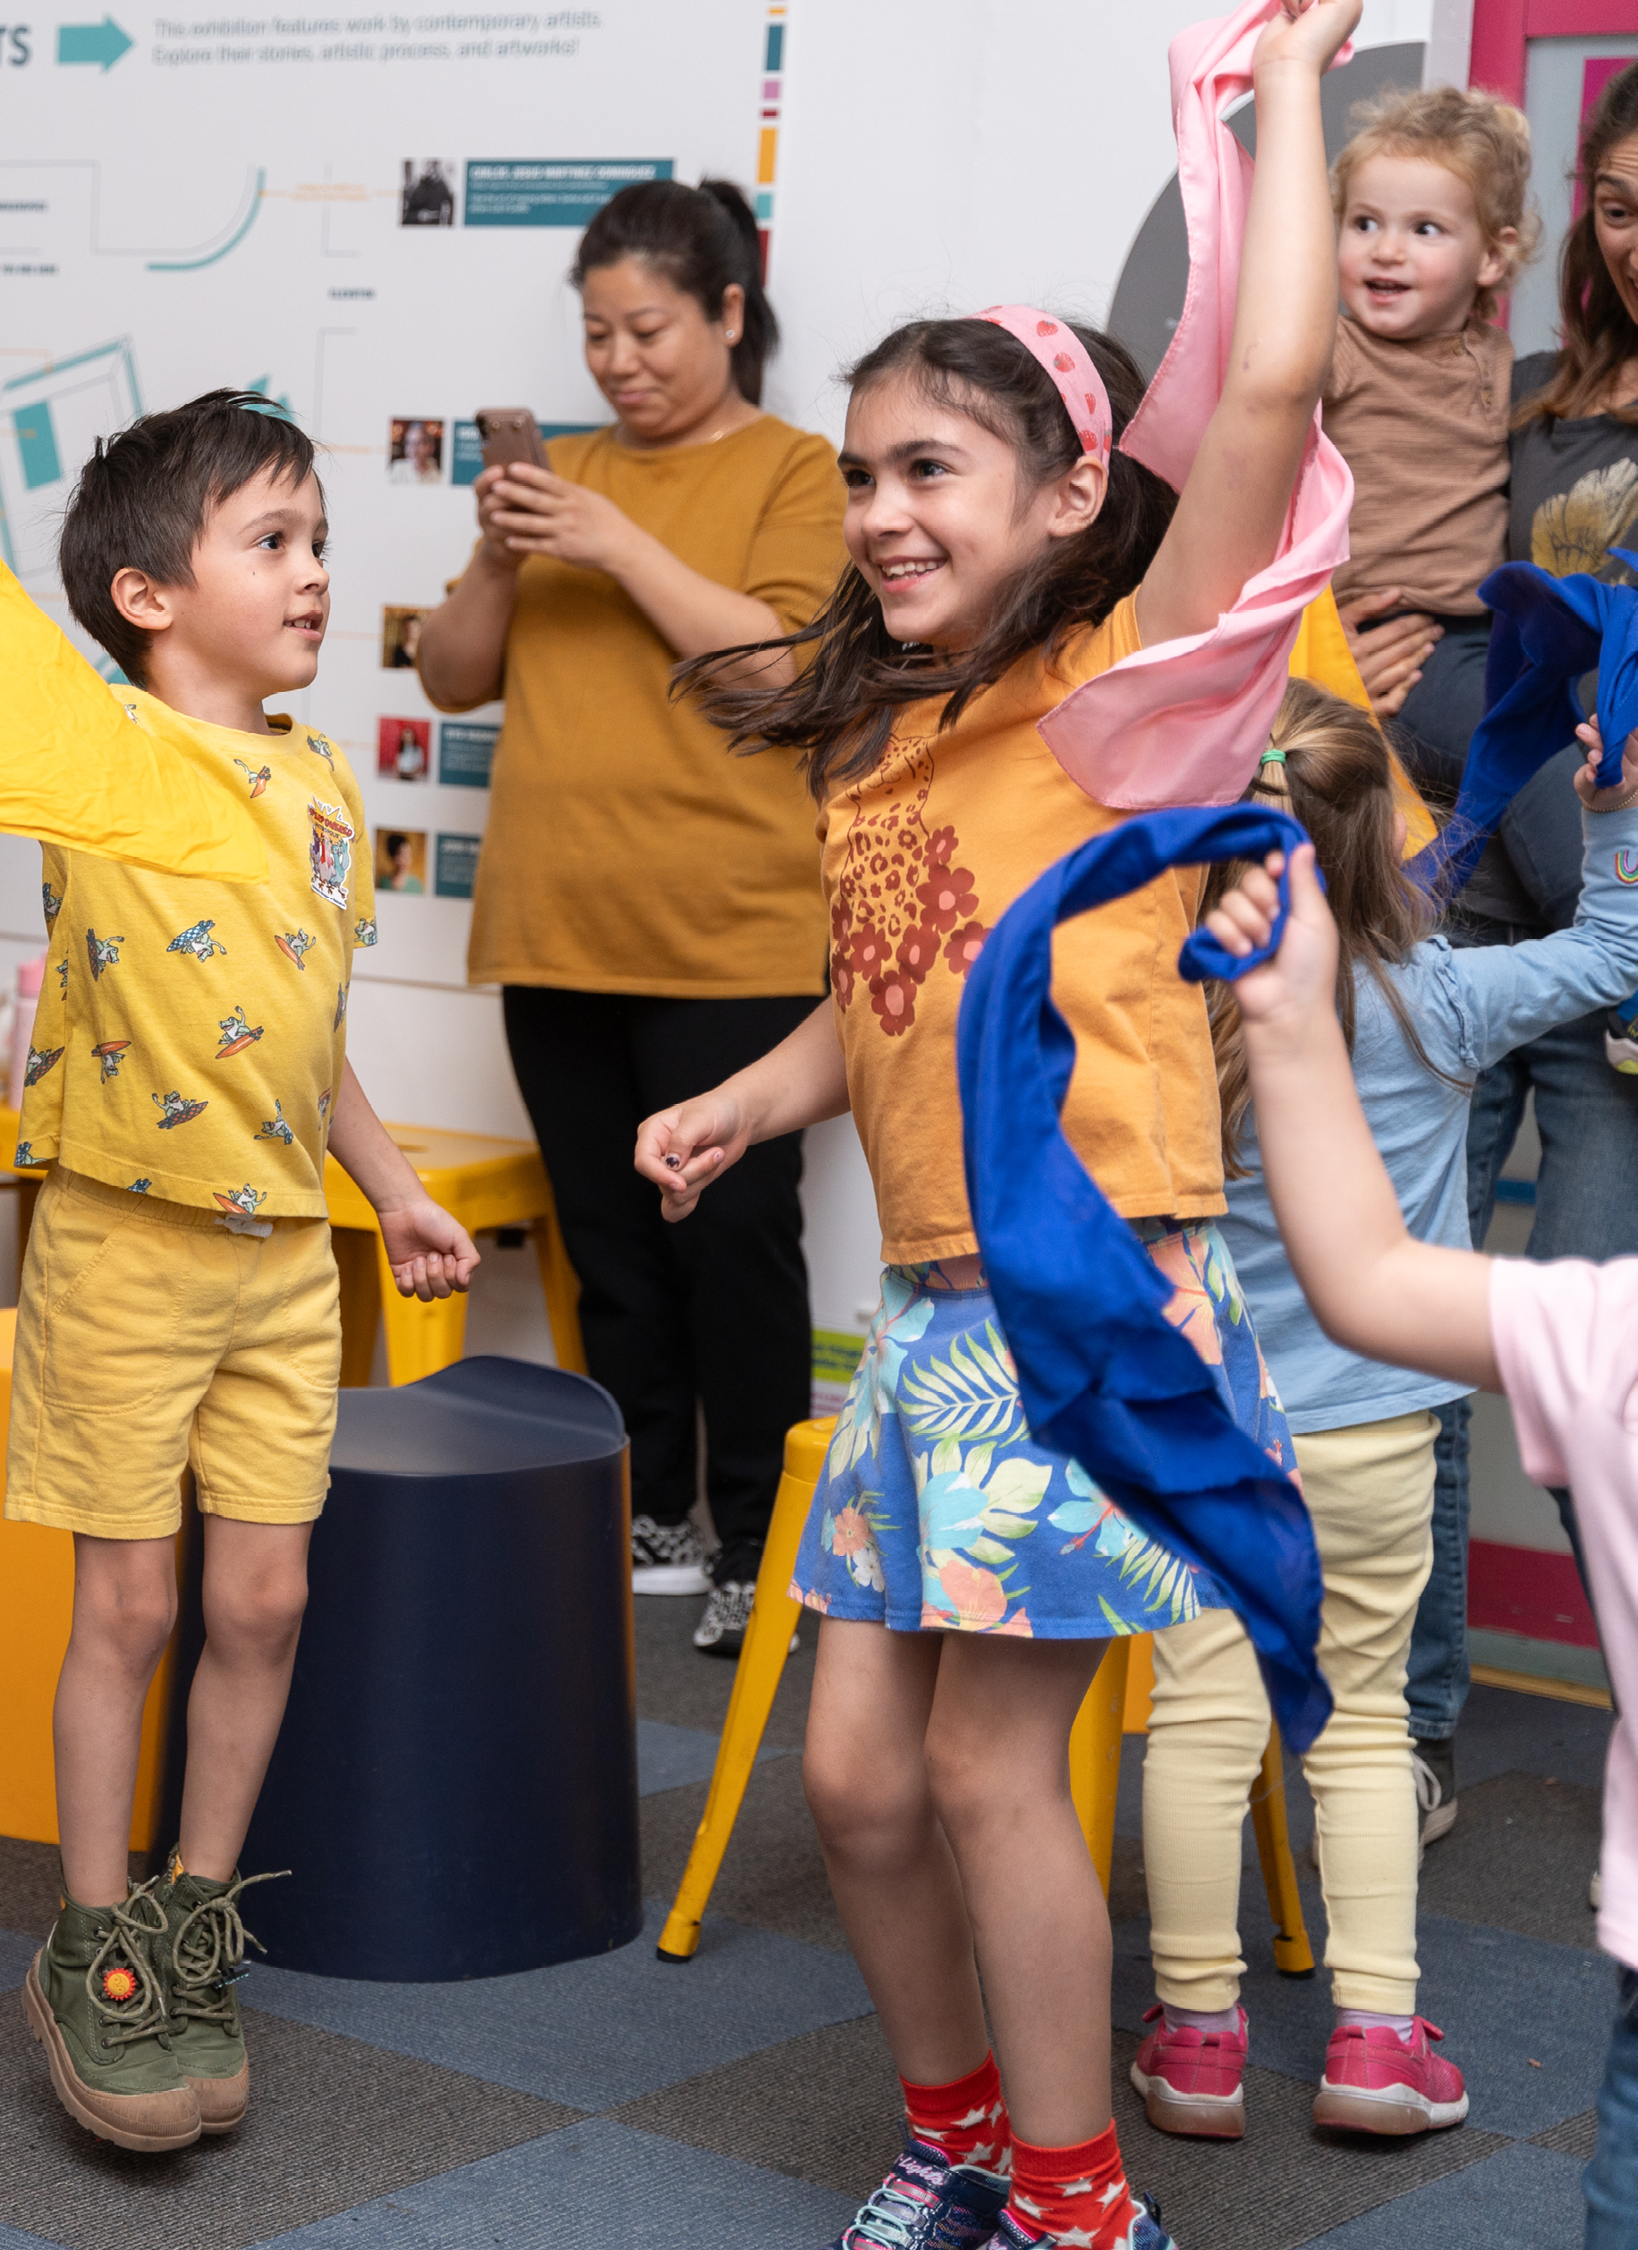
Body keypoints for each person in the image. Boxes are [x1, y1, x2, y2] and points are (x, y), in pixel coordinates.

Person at [631, 5, 1359, 2241]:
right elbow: (891, 1010)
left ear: (1062, 498)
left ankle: (1073, 2196)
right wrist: (749, 1103)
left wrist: (1286, 80)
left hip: (1090, 1297)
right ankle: (953, 2127)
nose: (877, 511)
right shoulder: (886, 734)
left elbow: (1260, 388)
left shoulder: (1132, 697)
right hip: (941, 1318)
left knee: (973, 1761)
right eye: (859, 473)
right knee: (852, 1780)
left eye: (928, 467)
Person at [0, 248, 484, 2152]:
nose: (316, 570)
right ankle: (92, 1943)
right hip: (128, 1260)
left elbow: (308, 1040)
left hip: (281, 1266)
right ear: (152, 597)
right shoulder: (102, 755)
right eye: (274, 538)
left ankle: (192, 1920)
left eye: (322, 535)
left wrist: (381, 1192)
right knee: (128, 1609)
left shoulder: (315, 785)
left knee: (271, 1595)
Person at [1133, 682, 1638, 2144]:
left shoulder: (1163, 1005)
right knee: (1359, 1725)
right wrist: (1606, 820)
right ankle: (1370, 2039)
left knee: (1201, 1722)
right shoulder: (1442, 997)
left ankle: (1196, 2037)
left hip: (1210, 1429)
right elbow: (1616, 946)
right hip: (1370, 1439)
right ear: (1377, 840)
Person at [418, 177, 846, 1657]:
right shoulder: (566, 481)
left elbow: (787, 670)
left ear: (729, 313)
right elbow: (453, 677)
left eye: (648, 328)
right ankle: (651, 1509)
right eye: (595, 333)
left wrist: (614, 545)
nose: (616, 361)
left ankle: (759, 1538)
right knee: (604, 1239)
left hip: (730, 927)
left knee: (732, 1239)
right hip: (556, 918)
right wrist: (500, 550)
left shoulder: (799, 470)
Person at [1403, 60, 1638, 1835]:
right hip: (1481, 926)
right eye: (1619, 207)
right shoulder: (1547, 405)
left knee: (1599, 1378)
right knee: (1413, 1350)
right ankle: (1407, 1734)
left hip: (1626, 967)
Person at [1325, 85, 1535, 791]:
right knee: (1530, 756)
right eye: (1363, 222)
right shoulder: (1337, 351)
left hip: (1495, 626)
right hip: (1409, 641)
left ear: (1491, 258)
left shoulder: (1501, 362)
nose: (1386, 250)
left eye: (1425, 230)